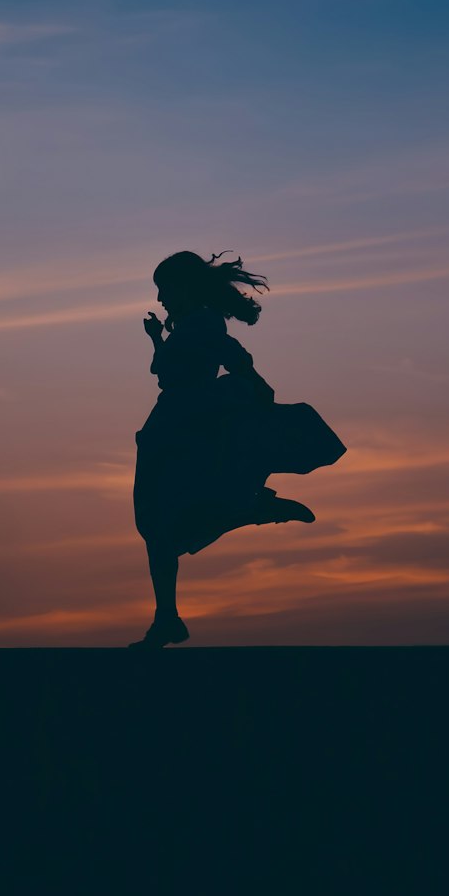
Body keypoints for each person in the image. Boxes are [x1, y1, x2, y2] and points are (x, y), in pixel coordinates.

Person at [130, 249, 346, 649]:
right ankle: (248, 513)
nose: (160, 298)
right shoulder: (187, 327)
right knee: (158, 526)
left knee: (163, 524)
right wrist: (157, 339)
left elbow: (234, 358)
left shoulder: (202, 324)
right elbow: (164, 373)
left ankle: (169, 616)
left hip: (182, 428)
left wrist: (252, 383)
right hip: (167, 424)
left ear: (183, 286)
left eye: (164, 289)